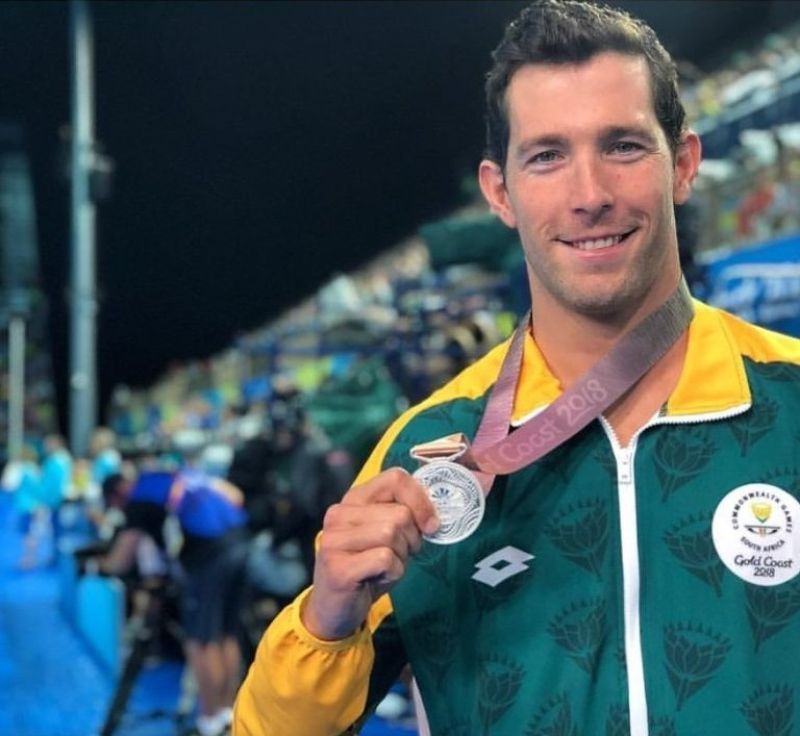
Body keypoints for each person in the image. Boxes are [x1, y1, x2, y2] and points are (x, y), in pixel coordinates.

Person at [234, 2, 800, 735]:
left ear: (683, 164)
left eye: (624, 146)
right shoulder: (431, 448)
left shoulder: (789, 401)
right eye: (547, 156)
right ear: (500, 192)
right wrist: (329, 617)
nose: (590, 194)